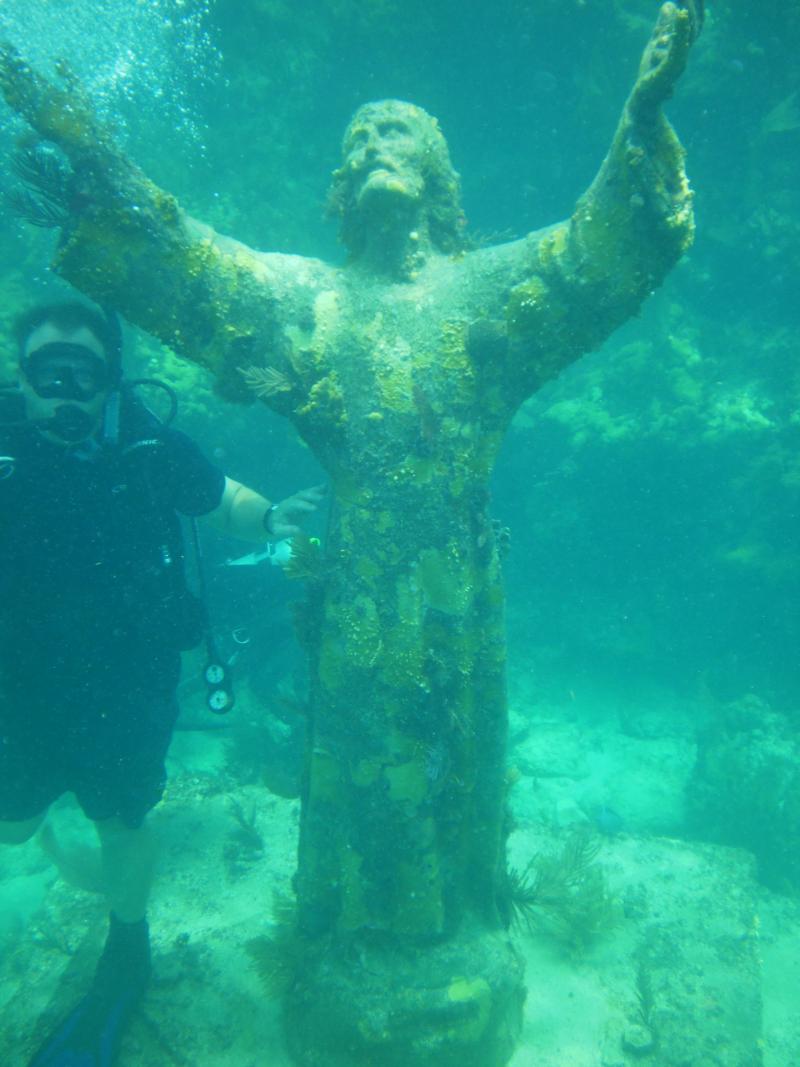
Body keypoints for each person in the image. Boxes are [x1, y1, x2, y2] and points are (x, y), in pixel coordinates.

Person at [1, 4, 704, 1061]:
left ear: (436, 173)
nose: (374, 149)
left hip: (459, 595)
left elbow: (583, 261)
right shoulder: (311, 306)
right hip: (361, 594)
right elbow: (194, 264)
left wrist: (636, 123)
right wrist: (93, 158)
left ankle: (458, 934)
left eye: (396, 135)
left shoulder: (487, 293)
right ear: (340, 190)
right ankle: (350, 940)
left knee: (456, 758)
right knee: (360, 767)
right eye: (356, 143)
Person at [0, 299, 324, 1067]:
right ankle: (43, 836)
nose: (68, 392)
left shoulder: (150, 445)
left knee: (124, 820)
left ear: (113, 377)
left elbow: (223, 500)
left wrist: (273, 515)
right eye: (50, 373)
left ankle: (127, 941)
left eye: (87, 373)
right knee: (10, 823)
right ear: (23, 377)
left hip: (126, 678)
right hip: (15, 681)